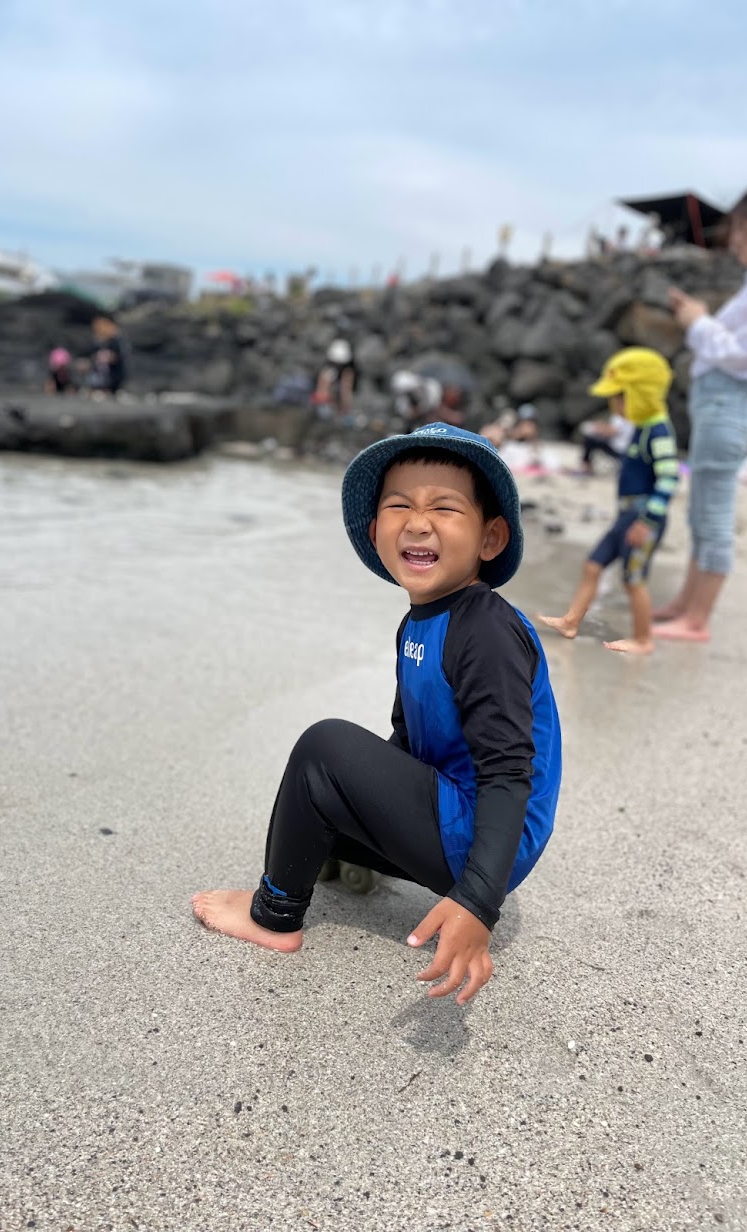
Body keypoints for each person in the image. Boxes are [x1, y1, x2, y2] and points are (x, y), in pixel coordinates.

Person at [192, 422, 562, 1004]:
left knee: (324, 746)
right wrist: (353, 810)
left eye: (445, 507)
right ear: (375, 531)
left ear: (490, 538)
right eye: (399, 505)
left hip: (490, 835)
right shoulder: (419, 622)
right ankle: (336, 862)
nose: (418, 522)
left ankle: (274, 916)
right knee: (322, 800)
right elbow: (406, 741)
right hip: (456, 816)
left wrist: (477, 902)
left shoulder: (486, 631)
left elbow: (509, 773)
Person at [653, 185, 747, 643]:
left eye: (740, 230)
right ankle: (687, 605)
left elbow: (743, 354)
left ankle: (697, 618)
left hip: (730, 402)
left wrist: (697, 321)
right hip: (726, 404)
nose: (733, 242)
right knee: (702, 511)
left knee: (711, 514)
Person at [537, 348, 679, 655]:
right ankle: (571, 621)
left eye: (618, 397)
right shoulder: (641, 428)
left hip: (643, 519)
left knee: (634, 579)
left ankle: (643, 639)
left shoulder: (658, 430)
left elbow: (669, 478)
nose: (614, 404)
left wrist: (647, 522)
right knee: (593, 565)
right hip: (626, 517)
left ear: (638, 394)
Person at [83, 315, 127, 396]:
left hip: (113, 376)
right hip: (98, 375)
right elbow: (89, 356)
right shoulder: (96, 343)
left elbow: (118, 358)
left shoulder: (116, 341)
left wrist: (107, 357)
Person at [312, 339, 357, 417]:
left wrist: (345, 406)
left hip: (340, 407)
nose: (337, 366)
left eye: (340, 364)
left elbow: (346, 392)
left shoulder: (347, 373)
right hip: (326, 405)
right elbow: (321, 394)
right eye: (335, 363)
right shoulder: (326, 371)